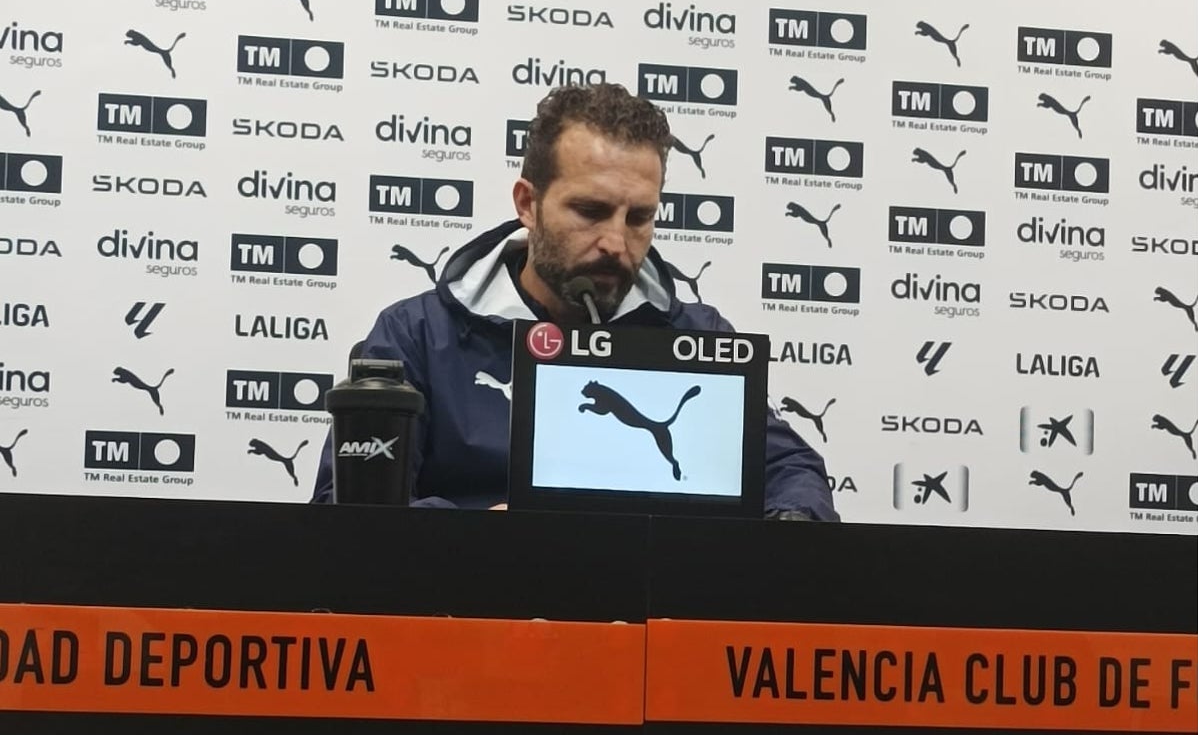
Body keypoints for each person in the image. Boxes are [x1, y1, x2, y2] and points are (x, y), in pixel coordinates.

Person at [311, 83, 838, 521]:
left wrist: (777, 533)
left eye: (638, 218)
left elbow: (792, 471)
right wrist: (472, 536)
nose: (615, 242)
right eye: (590, 210)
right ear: (528, 204)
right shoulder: (418, 334)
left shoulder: (694, 339)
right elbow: (351, 508)